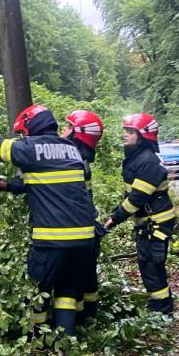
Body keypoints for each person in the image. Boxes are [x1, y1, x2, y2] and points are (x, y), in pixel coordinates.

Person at [0, 104, 98, 336]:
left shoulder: (30, 149)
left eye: (24, 132)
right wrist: (8, 186)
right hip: (84, 240)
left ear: (33, 127)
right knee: (67, 292)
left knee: (37, 292)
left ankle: (35, 340)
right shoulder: (71, 149)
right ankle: (65, 341)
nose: (23, 137)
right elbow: (44, 181)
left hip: (52, 240)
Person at [102, 113, 176, 314]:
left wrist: (111, 221)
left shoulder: (147, 162)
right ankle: (159, 307)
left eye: (130, 131)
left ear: (143, 136)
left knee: (152, 267)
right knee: (148, 265)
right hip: (148, 223)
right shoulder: (138, 158)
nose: (125, 135)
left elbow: (136, 200)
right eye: (126, 131)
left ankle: (162, 310)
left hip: (156, 224)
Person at [62, 109, 104, 323]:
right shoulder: (82, 158)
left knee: (74, 278)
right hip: (88, 226)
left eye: (69, 126)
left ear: (78, 133)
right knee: (87, 275)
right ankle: (89, 318)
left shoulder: (73, 160)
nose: (63, 130)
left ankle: (78, 321)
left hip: (76, 228)